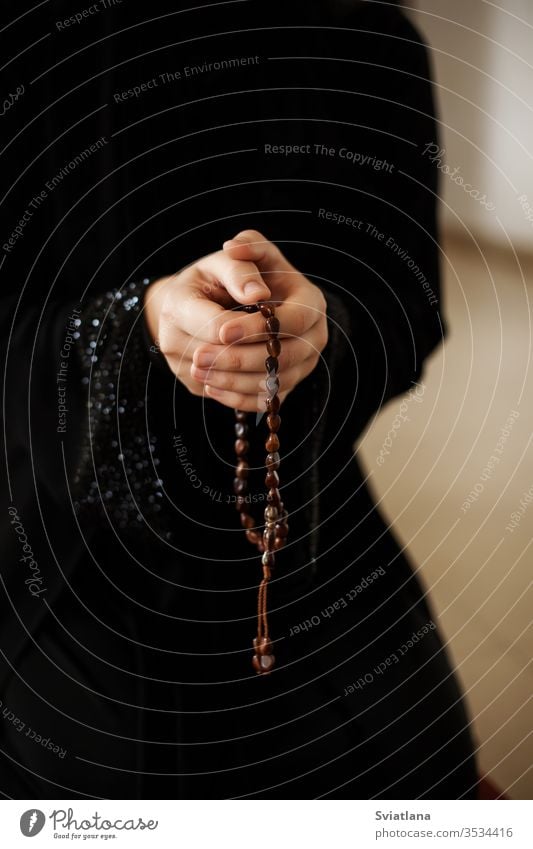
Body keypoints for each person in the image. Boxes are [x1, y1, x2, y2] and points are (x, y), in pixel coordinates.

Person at [0, 0, 478, 798]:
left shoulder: (366, 36)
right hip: (44, 532)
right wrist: (127, 329)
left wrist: (323, 330)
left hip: (311, 544)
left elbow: (407, 297)